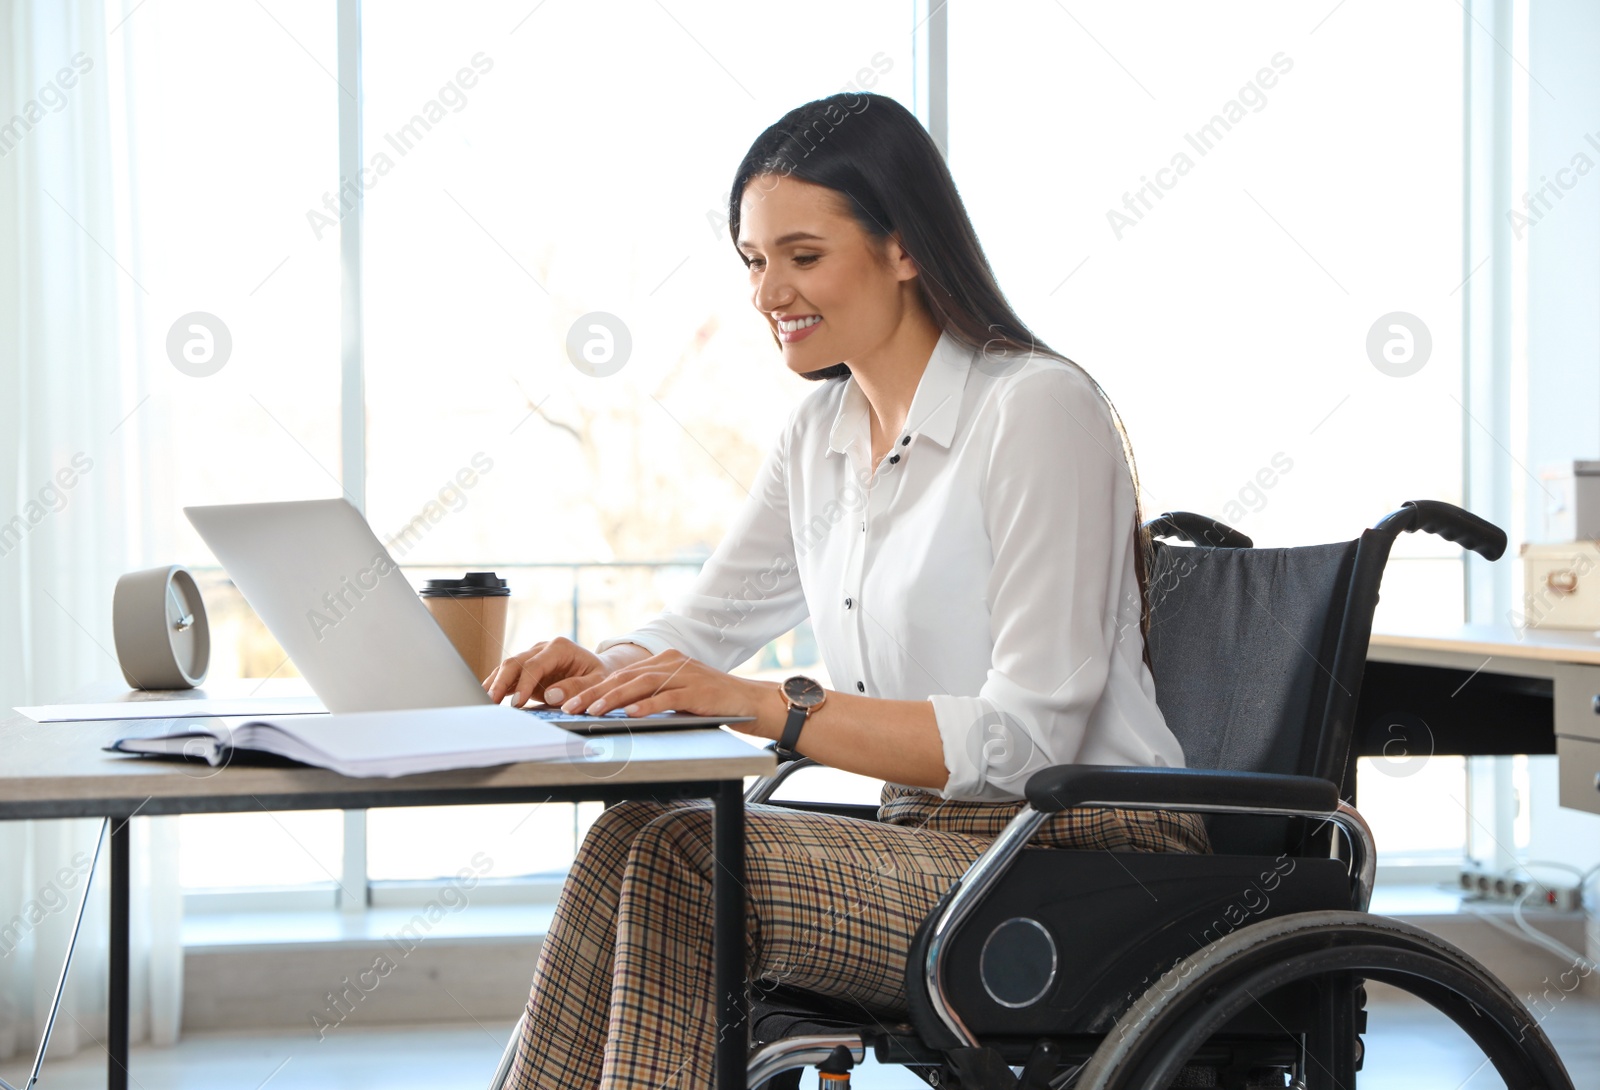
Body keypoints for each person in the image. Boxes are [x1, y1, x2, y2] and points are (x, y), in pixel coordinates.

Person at [486, 91, 1210, 1090]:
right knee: (630, 835)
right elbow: (711, 619)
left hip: (1080, 857)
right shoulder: (820, 438)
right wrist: (604, 668)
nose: (765, 290)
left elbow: (1029, 739)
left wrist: (762, 705)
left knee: (685, 862)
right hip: (936, 847)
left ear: (904, 247)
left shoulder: (1034, 409)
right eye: (751, 260)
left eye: (802, 254)